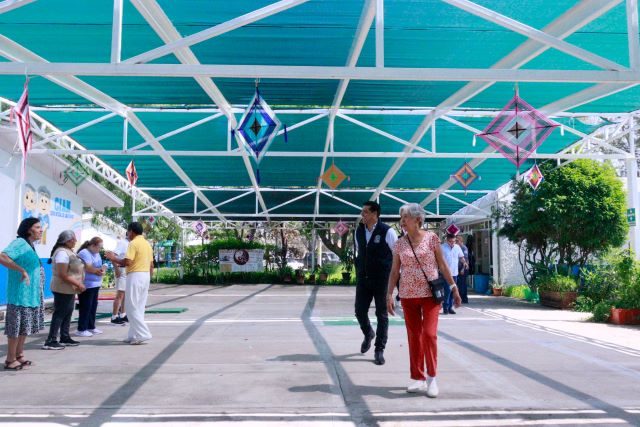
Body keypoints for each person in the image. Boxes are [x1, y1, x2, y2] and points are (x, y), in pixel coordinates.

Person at [386, 203, 461, 397]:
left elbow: (442, 265)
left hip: (430, 295)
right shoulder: (399, 243)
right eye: (401, 218)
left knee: (428, 335)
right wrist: (389, 295)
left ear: (418, 220)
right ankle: (417, 377)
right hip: (408, 296)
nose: (402, 221)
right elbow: (394, 271)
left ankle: (432, 378)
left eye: (406, 217)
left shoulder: (432, 238)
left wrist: (454, 288)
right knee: (414, 336)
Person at [354, 201, 398, 366]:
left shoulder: (388, 231)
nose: (362, 215)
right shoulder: (359, 231)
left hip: (382, 280)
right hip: (363, 279)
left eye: (365, 212)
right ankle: (368, 333)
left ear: (375, 214)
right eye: (362, 211)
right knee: (359, 311)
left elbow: (397, 256)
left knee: (382, 315)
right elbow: (361, 252)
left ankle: (379, 349)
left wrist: (395, 283)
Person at [0, 218, 45, 370]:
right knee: (16, 328)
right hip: (19, 295)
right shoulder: (20, 243)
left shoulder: (30, 245)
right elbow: (2, 257)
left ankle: (19, 355)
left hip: (30, 295)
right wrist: (21, 270)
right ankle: (10, 359)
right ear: (28, 229)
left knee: (24, 327)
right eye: (37, 227)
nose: (41, 230)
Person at [105, 222, 153, 345]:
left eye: (128, 232)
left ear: (131, 231)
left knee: (131, 307)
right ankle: (133, 335)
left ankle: (143, 334)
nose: (128, 234)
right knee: (139, 307)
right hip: (145, 275)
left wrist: (113, 258)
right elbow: (151, 264)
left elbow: (127, 262)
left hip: (135, 275)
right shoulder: (147, 244)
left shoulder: (133, 243)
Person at [43, 230, 85, 350]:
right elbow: (62, 274)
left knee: (68, 312)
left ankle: (64, 337)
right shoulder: (62, 253)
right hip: (62, 287)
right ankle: (51, 340)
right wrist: (78, 284)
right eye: (73, 239)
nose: (75, 241)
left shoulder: (68, 251)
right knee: (60, 313)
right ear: (67, 241)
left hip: (68, 288)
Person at [76, 237, 106, 337]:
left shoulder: (96, 253)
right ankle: (81, 329)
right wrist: (98, 271)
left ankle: (91, 326)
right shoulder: (84, 252)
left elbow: (98, 266)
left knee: (93, 306)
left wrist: (101, 271)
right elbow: (88, 268)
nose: (100, 250)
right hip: (86, 284)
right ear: (92, 245)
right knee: (85, 306)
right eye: (99, 247)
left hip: (95, 284)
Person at [440, 234, 467, 315]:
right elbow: (439, 259)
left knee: (453, 291)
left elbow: (461, 257)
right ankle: (445, 307)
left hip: (455, 273)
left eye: (454, 241)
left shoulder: (457, 247)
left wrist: (464, 263)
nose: (452, 243)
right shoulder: (442, 247)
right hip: (446, 273)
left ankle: (450, 307)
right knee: (447, 290)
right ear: (447, 240)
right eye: (450, 241)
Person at [110, 237, 129, 325]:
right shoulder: (122, 243)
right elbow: (112, 256)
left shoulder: (131, 243)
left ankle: (122, 314)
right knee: (120, 294)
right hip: (121, 269)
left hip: (127, 270)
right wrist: (116, 269)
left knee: (125, 294)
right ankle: (114, 316)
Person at [455, 235, 470, 304]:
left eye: (457, 241)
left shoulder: (464, 248)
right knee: (459, 284)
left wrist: (463, 269)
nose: (456, 242)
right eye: (456, 241)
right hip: (458, 268)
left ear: (461, 241)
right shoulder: (457, 247)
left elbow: (465, 260)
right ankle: (460, 298)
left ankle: (464, 299)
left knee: (462, 284)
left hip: (463, 268)